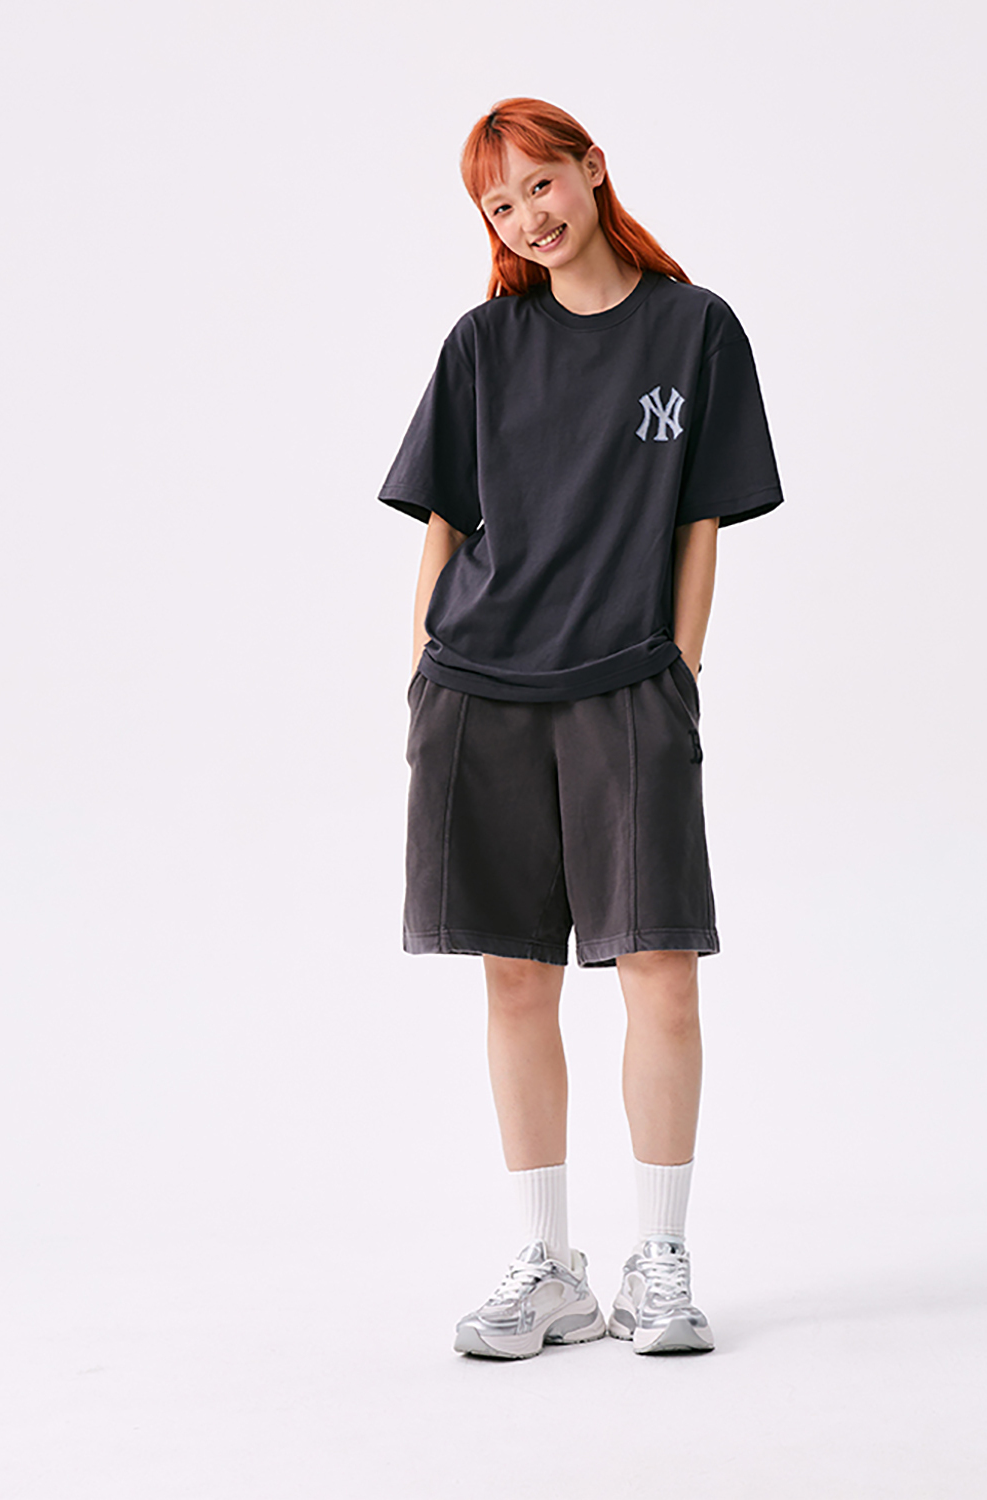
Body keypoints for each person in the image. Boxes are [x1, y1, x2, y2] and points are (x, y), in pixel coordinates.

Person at [378, 98, 784, 1358]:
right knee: (516, 977)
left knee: (659, 970)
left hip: (628, 684)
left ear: (593, 169)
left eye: (540, 185)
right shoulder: (483, 344)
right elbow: (445, 518)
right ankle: (547, 1265)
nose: (527, 219)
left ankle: (660, 1261)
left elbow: (700, 522)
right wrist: (423, 666)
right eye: (499, 206)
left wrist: (680, 667)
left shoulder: (694, 330)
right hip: (481, 685)